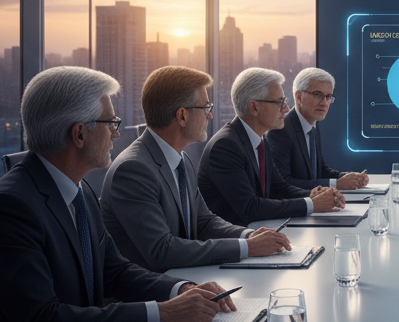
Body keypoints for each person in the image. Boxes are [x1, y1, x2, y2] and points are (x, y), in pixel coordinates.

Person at [0, 67, 234, 322]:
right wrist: (164, 314)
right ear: (79, 134)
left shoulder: (78, 190)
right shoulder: (9, 209)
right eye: (111, 123)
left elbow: (115, 271)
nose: (117, 133)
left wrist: (180, 289)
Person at [101, 66, 293, 271]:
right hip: (158, 294)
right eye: (206, 108)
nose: (210, 117)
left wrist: (247, 235)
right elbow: (162, 251)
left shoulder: (179, 158)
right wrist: (246, 247)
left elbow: (204, 221)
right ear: (182, 116)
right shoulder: (134, 170)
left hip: (190, 280)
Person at [197, 67, 345, 228]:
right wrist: (311, 204)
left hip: (261, 234)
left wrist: (315, 194)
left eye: (285, 101)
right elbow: (250, 207)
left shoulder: (259, 140)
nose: (286, 109)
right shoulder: (225, 146)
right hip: (236, 244)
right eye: (279, 102)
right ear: (254, 107)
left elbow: (279, 188)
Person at [267, 67, 369, 192]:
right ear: (298, 97)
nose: (324, 103)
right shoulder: (279, 130)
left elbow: (320, 171)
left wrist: (350, 178)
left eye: (328, 96)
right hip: (298, 209)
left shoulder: (312, 125)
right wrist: (336, 184)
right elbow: (283, 183)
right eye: (317, 95)